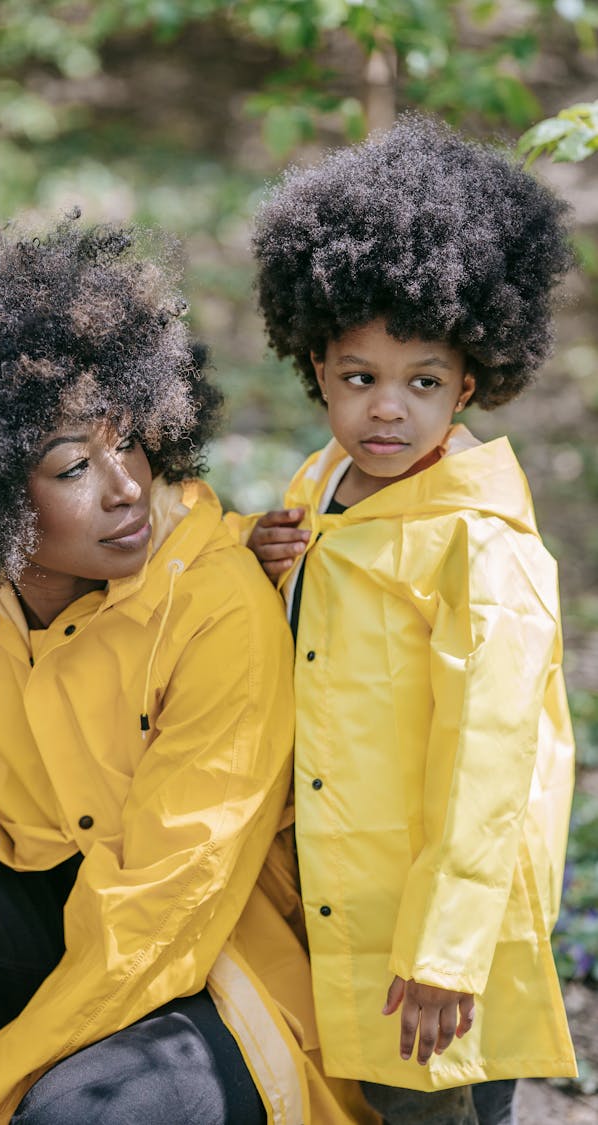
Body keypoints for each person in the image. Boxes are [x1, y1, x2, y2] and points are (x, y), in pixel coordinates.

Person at [0, 217, 370, 1125]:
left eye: (126, 440)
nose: (126, 485)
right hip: (53, 930)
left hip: (209, 973)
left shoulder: (216, 603)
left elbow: (158, 926)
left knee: (83, 1113)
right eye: (72, 466)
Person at [242, 117, 578, 1124]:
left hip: (442, 914)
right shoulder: (324, 480)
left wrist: (447, 949)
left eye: (422, 382)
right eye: (359, 378)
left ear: (470, 381)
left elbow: (492, 756)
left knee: (443, 1100)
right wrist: (266, 570)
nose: (388, 410)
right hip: (345, 879)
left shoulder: (485, 545)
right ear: (315, 368)